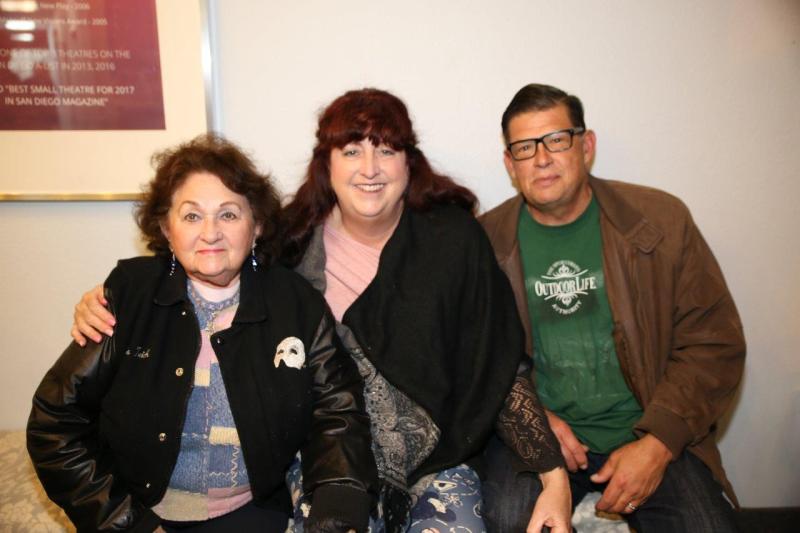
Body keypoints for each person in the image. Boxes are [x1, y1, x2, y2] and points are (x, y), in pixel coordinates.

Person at [70, 89, 572, 533]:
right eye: (351, 150)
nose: (370, 169)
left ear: (408, 163)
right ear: (326, 164)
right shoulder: (289, 242)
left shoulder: (454, 240)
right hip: (323, 459)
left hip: (439, 461)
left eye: (387, 150)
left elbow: (499, 363)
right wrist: (108, 297)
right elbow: (205, 253)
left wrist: (553, 479)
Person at [28, 134, 377, 532]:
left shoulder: (295, 302)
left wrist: (338, 504)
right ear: (166, 228)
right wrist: (124, 522)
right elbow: (54, 423)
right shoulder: (128, 295)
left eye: (228, 214)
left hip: (252, 511)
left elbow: (338, 409)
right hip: (138, 512)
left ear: (257, 225)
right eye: (192, 216)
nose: (210, 233)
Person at [479, 83, 745, 532]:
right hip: (543, 436)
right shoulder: (486, 242)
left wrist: (659, 443)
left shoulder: (660, 221)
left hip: (647, 426)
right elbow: (479, 362)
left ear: (586, 146)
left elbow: (713, 343)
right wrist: (534, 423)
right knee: (508, 521)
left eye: (557, 140)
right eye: (525, 148)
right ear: (510, 163)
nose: (542, 159)